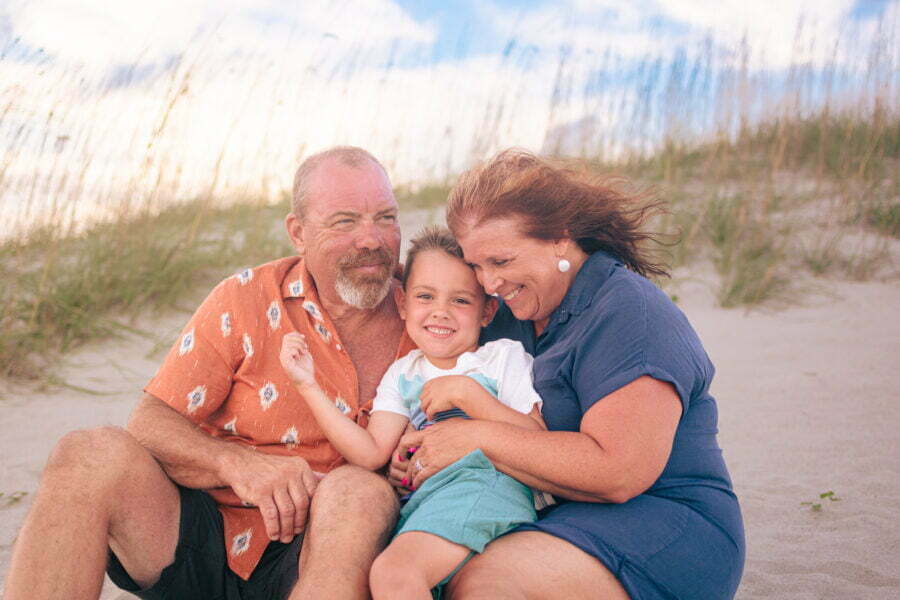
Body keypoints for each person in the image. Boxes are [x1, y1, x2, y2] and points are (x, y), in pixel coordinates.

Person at [4, 146, 415, 600]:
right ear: (298, 233)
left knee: (359, 491)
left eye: (386, 217)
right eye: (345, 221)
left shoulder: (432, 316)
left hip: (326, 555)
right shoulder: (246, 299)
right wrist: (239, 464)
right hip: (204, 537)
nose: (372, 239)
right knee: (89, 453)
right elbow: (151, 423)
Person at [391, 150, 746, 599]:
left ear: (560, 239)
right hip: (554, 512)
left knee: (487, 584)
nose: (488, 283)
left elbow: (618, 472)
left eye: (500, 261)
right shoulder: (509, 310)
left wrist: (473, 437)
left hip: (663, 522)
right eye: (476, 265)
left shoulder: (627, 312)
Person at [280, 226, 549, 599]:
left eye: (460, 301)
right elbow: (370, 452)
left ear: (488, 310)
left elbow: (536, 438)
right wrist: (307, 386)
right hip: (426, 503)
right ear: (403, 304)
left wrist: (471, 397)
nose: (440, 312)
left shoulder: (500, 358)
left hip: (485, 488)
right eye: (426, 296)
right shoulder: (404, 372)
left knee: (394, 574)